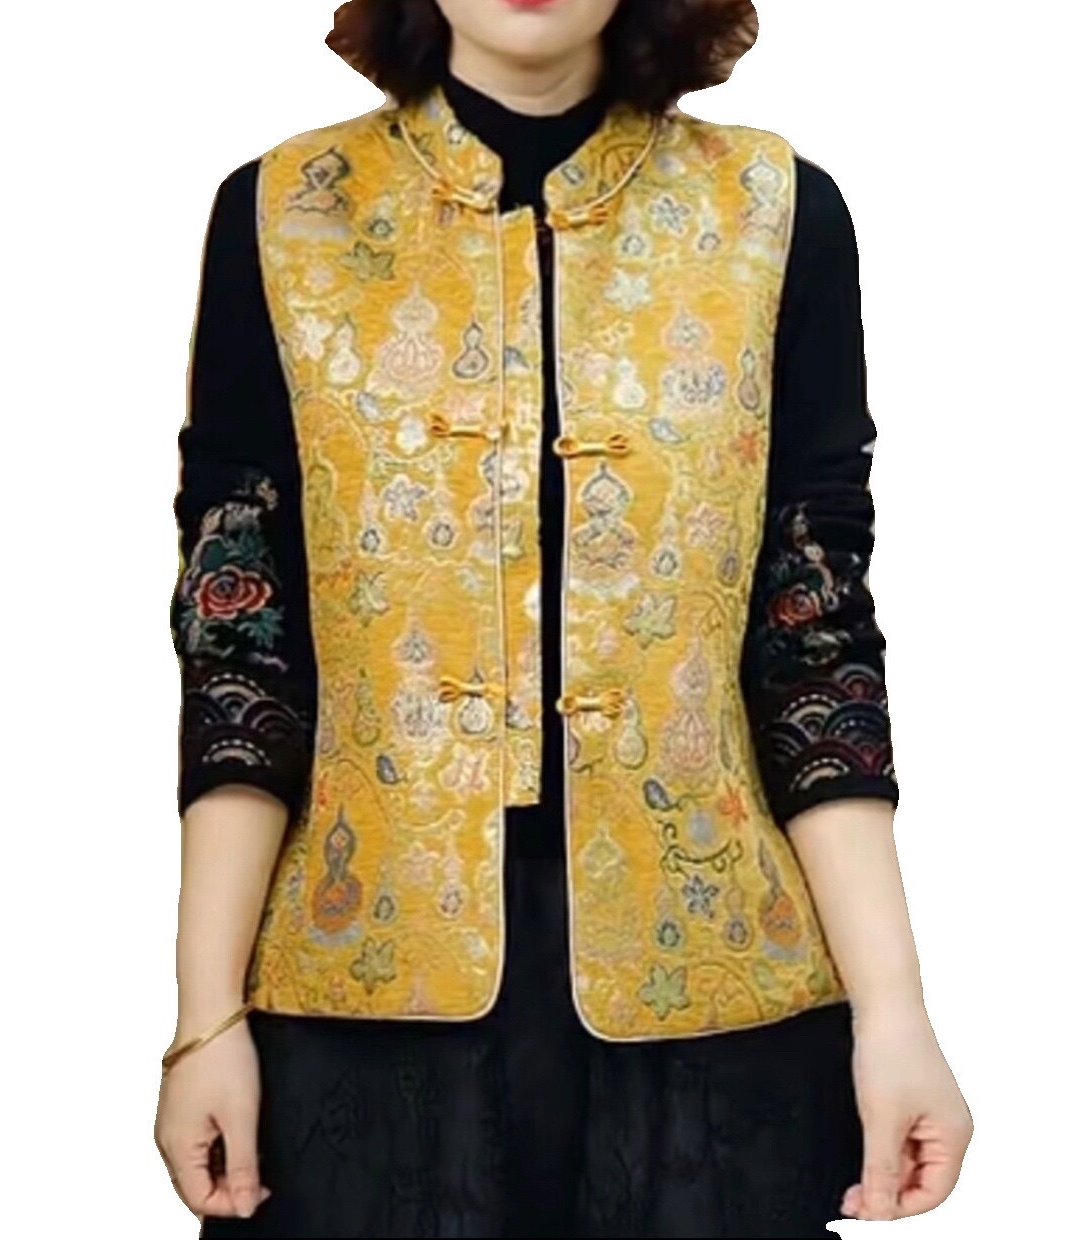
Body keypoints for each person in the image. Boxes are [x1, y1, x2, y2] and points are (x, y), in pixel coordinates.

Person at [154, 1, 973, 1236]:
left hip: (713, 1023)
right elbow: (239, 643)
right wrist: (204, 1017)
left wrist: (895, 1011)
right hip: (359, 1018)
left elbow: (815, 637)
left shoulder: (773, 210)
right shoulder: (285, 212)